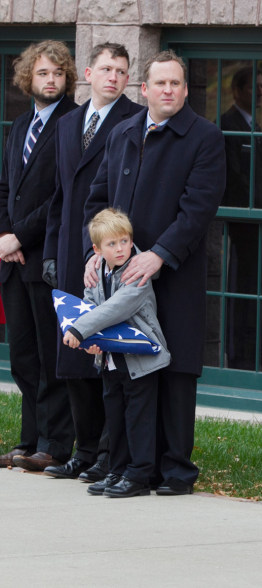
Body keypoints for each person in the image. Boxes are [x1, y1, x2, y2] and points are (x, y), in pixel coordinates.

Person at [83, 50, 225, 496]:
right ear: (143, 90)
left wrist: (158, 254)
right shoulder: (123, 132)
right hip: (120, 274)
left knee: (176, 369)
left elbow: (198, 208)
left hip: (174, 274)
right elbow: (99, 199)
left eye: (176, 84)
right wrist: (98, 251)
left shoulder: (205, 137)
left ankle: (176, 470)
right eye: (160, 83)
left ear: (185, 89)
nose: (169, 91)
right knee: (126, 369)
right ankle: (128, 467)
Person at [41, 42, 144, 483]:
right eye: (106, 69)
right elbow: (59, 197)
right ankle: (83, 451)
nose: (114, 77)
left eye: (122, 71)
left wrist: (102, 252)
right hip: (67, 250)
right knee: (74, 354)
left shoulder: (134, 121)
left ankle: (107, 452)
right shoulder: (67, 124)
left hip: (107, 253)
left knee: (106, 355)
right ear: (88, 72)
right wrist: (49, 251)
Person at [0, 41, 77, 470]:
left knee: (52, 357)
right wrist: (3, 235)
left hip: (45, 258)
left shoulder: (73, 123)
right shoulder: (19, 123)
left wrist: (20, 238)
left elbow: (60, 196)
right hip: (12, 262)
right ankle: (28, 442)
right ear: (28, 77)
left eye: (58, 74)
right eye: (43, 73)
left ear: (68, 79)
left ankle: (56, 444)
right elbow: (5, 187)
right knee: (24, 357)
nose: (51, 80)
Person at [63, 209, 170, 498]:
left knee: (138, 417)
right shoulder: (97, 271)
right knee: (116, 417)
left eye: (125, 241)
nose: (121, 248)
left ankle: (139, 474)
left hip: (140, 359)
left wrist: (79, 330)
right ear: (97, 250)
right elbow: (90, 303)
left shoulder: (137, 271)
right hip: (111, 358)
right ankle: (117, 470)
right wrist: (91, 342)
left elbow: (118, 306)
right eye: (112, 244)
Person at [220, 66, 262, 369]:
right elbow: (233, 178)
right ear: (237, 91)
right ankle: (240, 356)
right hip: (245, 230)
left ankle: (257, 350)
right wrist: (261, 205)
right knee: (244, 291)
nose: (260, 92)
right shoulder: (226, 126)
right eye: (253, 87)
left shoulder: (255, 126)